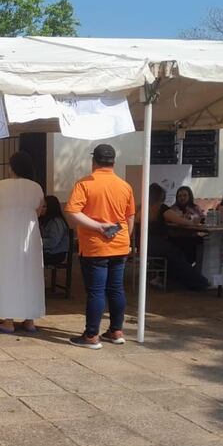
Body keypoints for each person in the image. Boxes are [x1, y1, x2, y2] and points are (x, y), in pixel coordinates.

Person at [65, 144, 135, 349]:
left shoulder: (85, 184)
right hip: (120, 244)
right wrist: (125, 238)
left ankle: (91, 335)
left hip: (95, 246)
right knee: (116, 289)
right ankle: (116, 330)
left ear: (93, 161)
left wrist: (98, 227)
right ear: (113, 162)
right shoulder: (124, 186)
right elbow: (130, 216)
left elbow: (72, 212)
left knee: (96, 291)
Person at [0, 152, 45, 333]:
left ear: (11, 167)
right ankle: (29, 321)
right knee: (31, 273)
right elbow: (39, 210)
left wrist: (5, 221)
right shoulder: (36, 187)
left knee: (6, 273)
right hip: (29, 235)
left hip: (5, 235)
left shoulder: (0, 186)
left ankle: (8, 320)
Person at [146, 183, 210, 291]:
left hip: (146, 244)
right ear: (161, 196)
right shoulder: (161, 208)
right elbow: (182, 222)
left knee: (179, 251)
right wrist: (192, 222)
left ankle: (173, 279)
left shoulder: (142, 207)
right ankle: (200, 282)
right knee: (178, 254)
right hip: (158, 244)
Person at [169, 185, 205, 264]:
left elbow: (202, 219)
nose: (182, 198)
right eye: (180, 196)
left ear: (190, 196)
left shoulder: (195, 208)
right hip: (178, 236)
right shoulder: (172, 209)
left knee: (203, 241)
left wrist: (194, 218)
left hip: (193, 235)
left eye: (185, 195)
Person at [40, 195, 70, 266]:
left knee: (29, 258)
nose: (41, 209)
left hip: (56, 254)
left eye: (44, 207)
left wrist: (37, 243)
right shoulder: (45, 220)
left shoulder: (56, 222)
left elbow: (53, 242)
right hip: (48, 251)